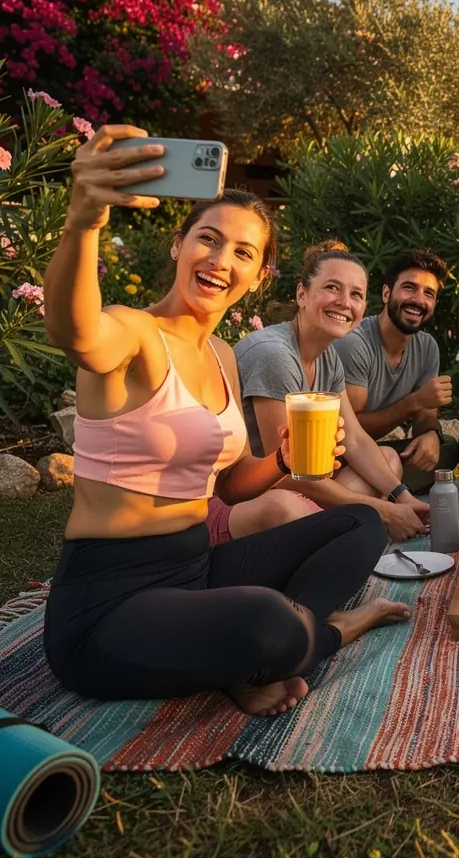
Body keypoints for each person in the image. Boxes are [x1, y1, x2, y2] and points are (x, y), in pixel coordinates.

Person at [42, 126, 408, 717]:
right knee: (266, 622)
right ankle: (330, 631)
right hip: (109, 601)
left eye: (242, 253)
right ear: (177, 246)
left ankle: (259, 649)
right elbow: (76, 332)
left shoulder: (225, 357)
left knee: (361, 522)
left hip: (197, 567)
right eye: (207, 240)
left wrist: (284, 462)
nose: (219, 261)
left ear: (260, 276)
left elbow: (233, 482)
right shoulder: (132, 331)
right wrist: (84, 220)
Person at [227, 241, 429, 540]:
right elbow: (286, 471)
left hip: (306, 488)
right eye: (333, 288)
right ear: (302, 294)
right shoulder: (274, 354)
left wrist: (403, 497)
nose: (345, 302)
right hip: (260, 497)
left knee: (387, 458)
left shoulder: (327, 355)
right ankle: (342, 527)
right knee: (292, 506)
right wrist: (382, 510)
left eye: (356, 294)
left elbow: (356, 439)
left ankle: (336, 527)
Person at [335, 248, 458, 495]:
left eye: (429, 293)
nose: (418, 300)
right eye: (409, 288)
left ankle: (382, 488)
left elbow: (425, 414)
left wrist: (431, 434)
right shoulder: (356, 344)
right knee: (388, 458)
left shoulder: (427, 347)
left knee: (449, 448)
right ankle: (364, 492)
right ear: (386, 293)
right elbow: (348, 433)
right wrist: (414, 401)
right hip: (340, 457)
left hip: (378, 450)